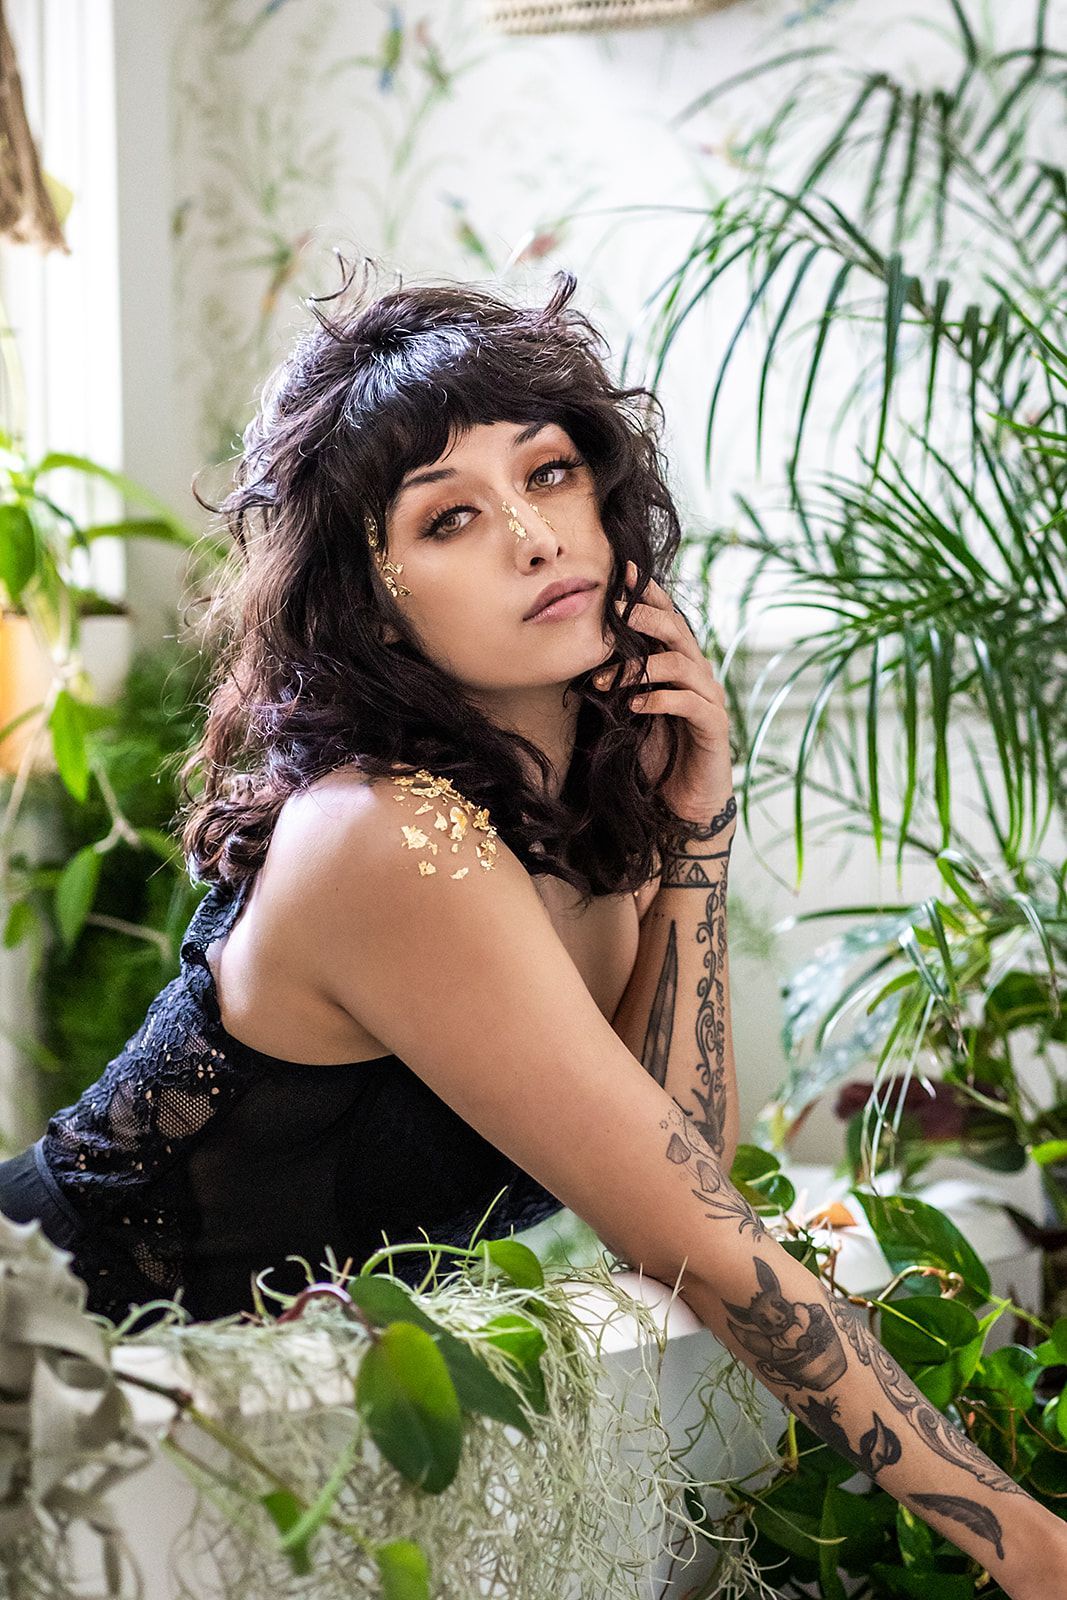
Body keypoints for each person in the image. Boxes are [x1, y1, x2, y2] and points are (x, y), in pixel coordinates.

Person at [0, 258, 1061, 1597]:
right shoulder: (383, 834)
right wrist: (1015, 1539)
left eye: (550, 473)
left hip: (246, 1441)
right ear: (375, 597)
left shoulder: (588, 813)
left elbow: (684, 1182)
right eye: (450, 518)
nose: (534, 534)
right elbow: (706, 1243)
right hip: (57, 1397)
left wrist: (694, 835)